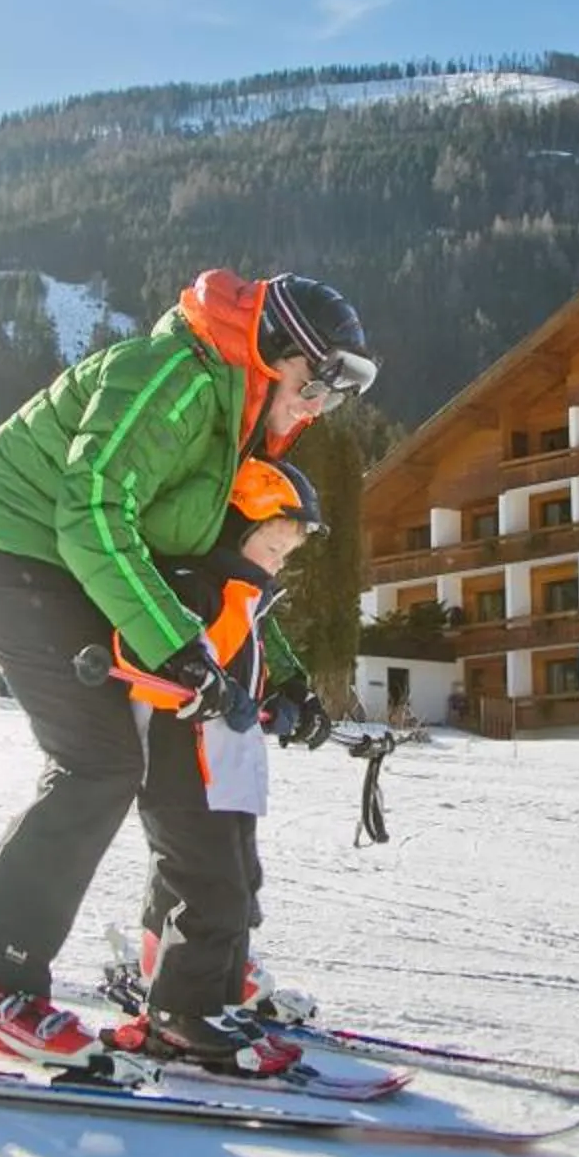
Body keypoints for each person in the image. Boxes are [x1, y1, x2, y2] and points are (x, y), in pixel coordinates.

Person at [0, 268, 372, 1067]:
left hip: (70, 567)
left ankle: (185, 979)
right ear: (273, 353)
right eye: (314, 384)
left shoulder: (228, 426)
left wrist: (282, 674)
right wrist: (172, 646)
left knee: (162, 759)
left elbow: (216, 581)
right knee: (98, 762)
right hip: (12, 553)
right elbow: (91, 510)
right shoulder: (175, 376)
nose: (315, 408)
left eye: (332, 398)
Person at [101, 458, 336, 1074]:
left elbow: (242, 675)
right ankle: (182, 1014)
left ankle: (217, 1001)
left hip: (226, 770)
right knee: (208, 890)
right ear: (235, 535)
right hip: (183, 766)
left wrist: (283, 700)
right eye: (274, 545)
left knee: (238, 886)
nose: (282, 559)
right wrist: (211, 689)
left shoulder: (246, 595)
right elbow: (151, 660)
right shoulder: (193, 587)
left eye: (288, 550)